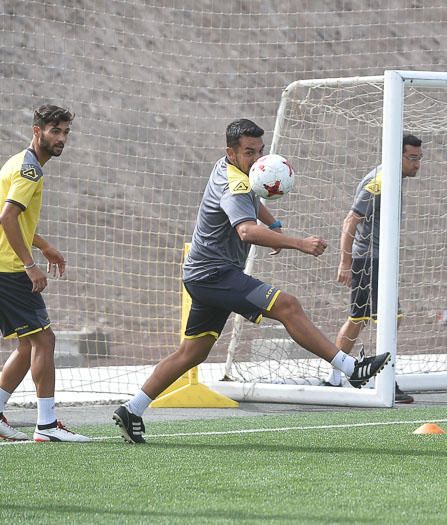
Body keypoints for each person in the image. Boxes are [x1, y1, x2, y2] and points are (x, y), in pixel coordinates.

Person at [113, 119, 391, 444]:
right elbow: (245, 229)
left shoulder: (233, 170)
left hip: (206, 276)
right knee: (287, 305)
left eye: (260, 151)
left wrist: (274, 227)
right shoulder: (233, 184)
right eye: (249, 152)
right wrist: (299, 243)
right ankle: (350, 368)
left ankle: (131, 409)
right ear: (230, 152)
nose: (256, 159)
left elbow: (254, 199)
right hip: (215, 275)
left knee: (192, 353)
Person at [0, 105, 90, 442]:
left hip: (4, 265)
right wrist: (29, 264)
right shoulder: (29, 171)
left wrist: (44, 245)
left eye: (66, 132)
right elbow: (7, 218)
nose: (62, 138)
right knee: (44, 340)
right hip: (10, 269)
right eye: (55, 131)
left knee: (28, 344)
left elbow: (13, 218)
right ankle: (47, 425)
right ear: (37, 131)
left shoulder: (19, 163)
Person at [323, 135, 422, 403]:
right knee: (388, 318)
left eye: (419, 158)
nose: (417, 164)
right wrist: (345, 262)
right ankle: (382, 380)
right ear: (396, 155)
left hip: (375, 260)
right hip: (370, 260)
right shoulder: (378, 182)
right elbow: (350, 221)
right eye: (412, 158)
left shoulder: (390, 178)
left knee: (359, 318)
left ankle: (334, 378)